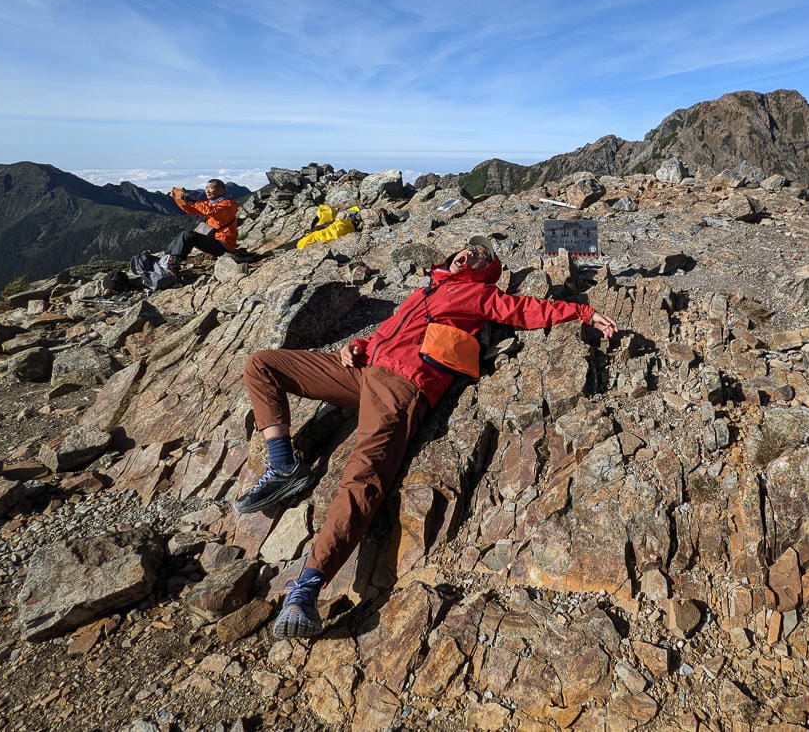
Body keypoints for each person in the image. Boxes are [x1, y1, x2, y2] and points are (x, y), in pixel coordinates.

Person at [237, 236, 620, 639]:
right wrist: (356, 346)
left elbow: (523, 309)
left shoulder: (477, 294)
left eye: (480, 256)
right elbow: (386, 334)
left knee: (364, 475)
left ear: (484, 271)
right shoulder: (426, 291)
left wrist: (583, 312)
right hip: (361, 372)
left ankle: (307, 587)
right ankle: (283, 464)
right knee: (263, 364)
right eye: (468, 248)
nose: (469, 253)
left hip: (400, 386)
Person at [165, 179, 240, 276]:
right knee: (183, 235)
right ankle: (167, 257)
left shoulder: (228, 205)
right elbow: (192, 210)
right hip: (214, 241)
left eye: (211, 188)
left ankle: (173, 264)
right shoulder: (211, 203)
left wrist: (193, 201)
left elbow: (211, 211)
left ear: (221, 191)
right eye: (206, 188)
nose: (207, 191)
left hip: (223, 245)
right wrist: (179, 199)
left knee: (188, 235)